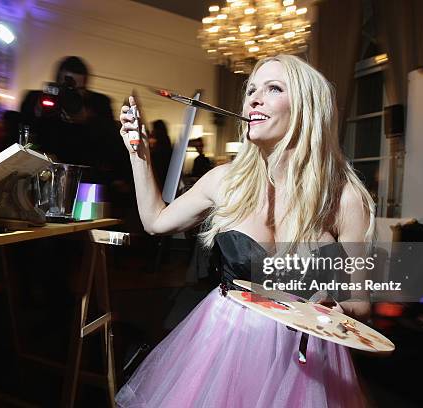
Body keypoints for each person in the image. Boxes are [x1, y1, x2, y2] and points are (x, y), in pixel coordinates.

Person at [116, 54, 375, 407]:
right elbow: (156, 221)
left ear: (305, 108)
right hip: (225, 344)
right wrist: (139, 153)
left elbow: (360, 304)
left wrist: (335, 309)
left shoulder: (343, 198)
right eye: (251, 89)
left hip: (303, 359)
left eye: (273, 88)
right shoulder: (226, 180)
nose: (253, 98)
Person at [20, 56, 128, 186]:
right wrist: (39, 111)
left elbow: (112, 146)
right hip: (43, 177)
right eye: (66, 89)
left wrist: (88, 119)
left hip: (84, 181)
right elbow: (22, 135)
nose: (71, 95)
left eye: (78, 90)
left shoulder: (98, 105)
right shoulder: (37, 99)